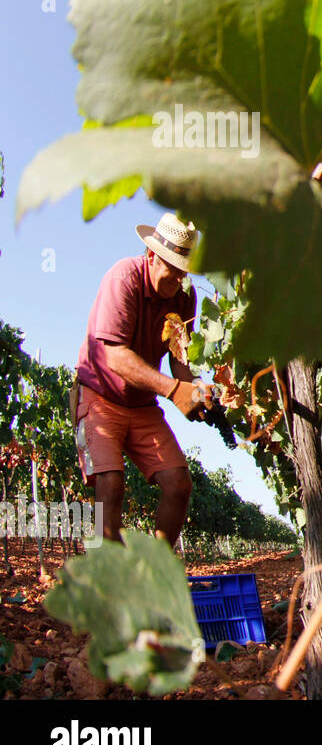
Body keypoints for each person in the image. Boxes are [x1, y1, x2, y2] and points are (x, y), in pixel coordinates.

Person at [73, 213, 212, 547]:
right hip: (97, 396)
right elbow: (114, 356)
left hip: (141, 403)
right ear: (152, 256)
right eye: (172, 269)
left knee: (179, 484)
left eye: (183, 272)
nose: (178, 280)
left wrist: (196, 388)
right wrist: (174, 390)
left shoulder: (183, 297)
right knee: (110, 483)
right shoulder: (124, 278)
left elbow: (180, 360)